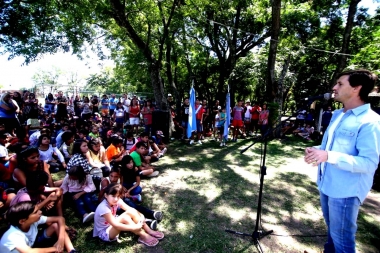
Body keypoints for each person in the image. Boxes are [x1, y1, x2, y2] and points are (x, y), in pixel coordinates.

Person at [304, 69, 380, 253]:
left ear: (356, 88)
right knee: (332, 234)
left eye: (340, 84)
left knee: (342, 241)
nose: (334, 87)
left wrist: (329, 156)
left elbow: (369, 163)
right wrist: (318, 151)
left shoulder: (370, 121)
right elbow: (330, 147)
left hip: (346, 191)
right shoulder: (338, 115)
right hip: (326, 183)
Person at [93, 183, 164, 247]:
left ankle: (149, 231)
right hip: (104, 233)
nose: (116, 199)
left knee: (130, 212)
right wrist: (134, 228)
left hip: (112, 225)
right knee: (125, 217)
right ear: (106, 195)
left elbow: (130, 209)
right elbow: (116, 225)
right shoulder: (103, 208)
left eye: (118, 196)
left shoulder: (117, 200)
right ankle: (143, 236)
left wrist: (141, 215)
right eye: (113, 196)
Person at [0, 201, 77, 253]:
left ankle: (72, 251)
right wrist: (55, 248)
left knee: (55, 226)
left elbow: (60, 219)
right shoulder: (12, 236)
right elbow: (29, 252)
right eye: (36, 212)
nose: (40, 212)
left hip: (33, 245)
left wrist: (61, 240)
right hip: (29, 250)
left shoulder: (35, 219)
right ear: (22, 221)